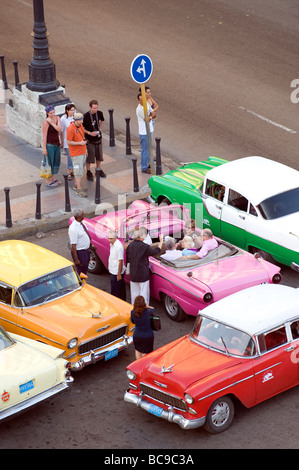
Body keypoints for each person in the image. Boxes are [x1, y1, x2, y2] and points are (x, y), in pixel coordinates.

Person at [126, 229, 164, 305]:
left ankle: (135, 309)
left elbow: (128, 259)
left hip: (133, 273)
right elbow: (156, 251)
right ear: (141, 237)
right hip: (143, 274)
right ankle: (144, 310)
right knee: (144, 293)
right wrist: (161, 241)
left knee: (134, 293)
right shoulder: (144, 246)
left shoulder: (130, 246)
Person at [83, 99, 106, 180]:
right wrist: (90, 133)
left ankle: (98, 169)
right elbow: (82, 128)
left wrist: (100, 128)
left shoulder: (99, 113)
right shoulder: (85, 116)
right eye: (94, 108)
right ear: (90, 107)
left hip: (98, 139)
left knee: (99, 156)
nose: (96, 110)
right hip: (90, 140)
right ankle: (88, 171)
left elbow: (101, 121)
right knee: (89, 157)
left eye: (96, 108)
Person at [66, 113, 88, 198]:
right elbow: (68, 142)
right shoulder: (71, 128)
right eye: (80, 120)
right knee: (78, 171)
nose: (82, 121)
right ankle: (79, 190)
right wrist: (80, 143)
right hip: (76, 154)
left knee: (81, 170)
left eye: (82, 120)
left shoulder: (80, 126)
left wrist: (85, 149)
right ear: (76, 120)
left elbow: (83, 138)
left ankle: (76, 185)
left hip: (82, 152)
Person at [42, 105, 62, 187]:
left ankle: (53, 179)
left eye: (54, 112)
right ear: (47, 113)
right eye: (51, 113)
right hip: (49, 144)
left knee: (56, 161)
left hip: (57, 143)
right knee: (49, 162)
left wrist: (52, 123)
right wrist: (44, 149)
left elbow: (59, 129)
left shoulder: (57, 118)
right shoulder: (46, 123)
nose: (53, 114)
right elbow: (44, 136)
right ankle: (48, 180)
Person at [130, 295, 154, 360]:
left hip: (137, 336)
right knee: (146, 353)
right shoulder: (149, 312)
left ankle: (138, 366)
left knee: (138, 350)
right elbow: (153, 309)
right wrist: (146, 306)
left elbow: (133, 321)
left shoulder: (132, 313)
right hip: (148, 336)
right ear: (144, 304)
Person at [68, 209, 91, 275]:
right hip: (81, 253)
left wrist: (91, 245)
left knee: (85, 268)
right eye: (83, 215)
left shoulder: (82, 223)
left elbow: (86, 234)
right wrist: (76, 259)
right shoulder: (73, 229)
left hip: (86, 251)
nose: (84, 216)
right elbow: (73, 245)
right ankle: (81, 283)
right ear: (78, 217)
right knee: (81, 271)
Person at [136, 92, 154, 174]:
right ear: (138, 100)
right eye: (140, 100)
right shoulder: (139, 109)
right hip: (144, 132)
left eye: (143, 99)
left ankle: (147, 163)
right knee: (144, 150)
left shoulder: (146, 104)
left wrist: (150, 116)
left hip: (149, 130)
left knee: (148, 149)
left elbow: (153, 113)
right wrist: (150, 116)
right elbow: (146, 119)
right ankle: (144, 167)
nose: (142, 101)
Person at [107, 229, 126, 301]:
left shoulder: (118, 247)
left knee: (115, 291)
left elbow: (120, 261)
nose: (109, 240)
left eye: (111, 238)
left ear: (115, 238)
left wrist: (119, 274)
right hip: (114, 270)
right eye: (108, 238)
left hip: (116, 272)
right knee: (120, 289)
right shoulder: (112, 244)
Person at [60, 103, 75, 180]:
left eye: (74, 110)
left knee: (74, 156)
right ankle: (69, 171)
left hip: (75, 141)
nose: (73, 112)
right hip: (67, 141)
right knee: (70, 156)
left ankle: (72, 170)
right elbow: (61, 131)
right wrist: (62, 141)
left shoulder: (75, 118)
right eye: (71, 110)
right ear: (67, 110)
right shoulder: (63, 118)